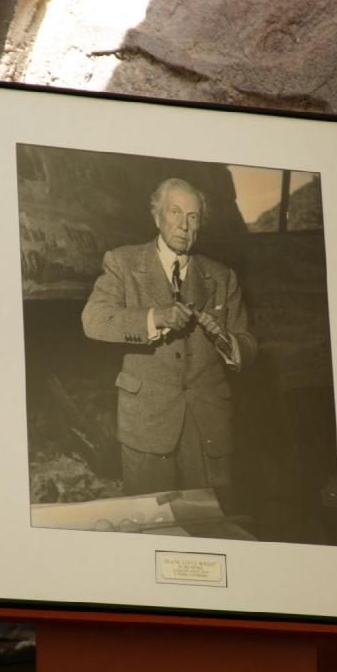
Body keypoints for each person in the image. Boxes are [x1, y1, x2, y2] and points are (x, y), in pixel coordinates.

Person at [82, 177, 257, 497]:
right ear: (157, 216)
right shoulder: (122, 262)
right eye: (175, 212)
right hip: (147, 422)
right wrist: (155, 317)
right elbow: (94, 320)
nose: (184, 225)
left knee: (211, 523)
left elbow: (247, 345)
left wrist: (226, 342)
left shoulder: (222, 276)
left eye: (193, 217)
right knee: (150, 521)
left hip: (208, 425)